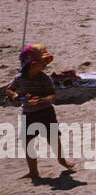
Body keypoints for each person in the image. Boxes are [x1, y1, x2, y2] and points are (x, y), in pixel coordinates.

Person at [5, 45, 76, 179]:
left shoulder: (44, 78)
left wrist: (42, 100)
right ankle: (33, 171)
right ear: (31, 63)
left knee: (53, 139)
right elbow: (9, 89)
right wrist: (14, 95)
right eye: (42, 62)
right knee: (28, 142)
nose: (45, 65)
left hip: (46, 112)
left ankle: (62, 161)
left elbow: (52, 95)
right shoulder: (20, 78)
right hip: (28, 114)